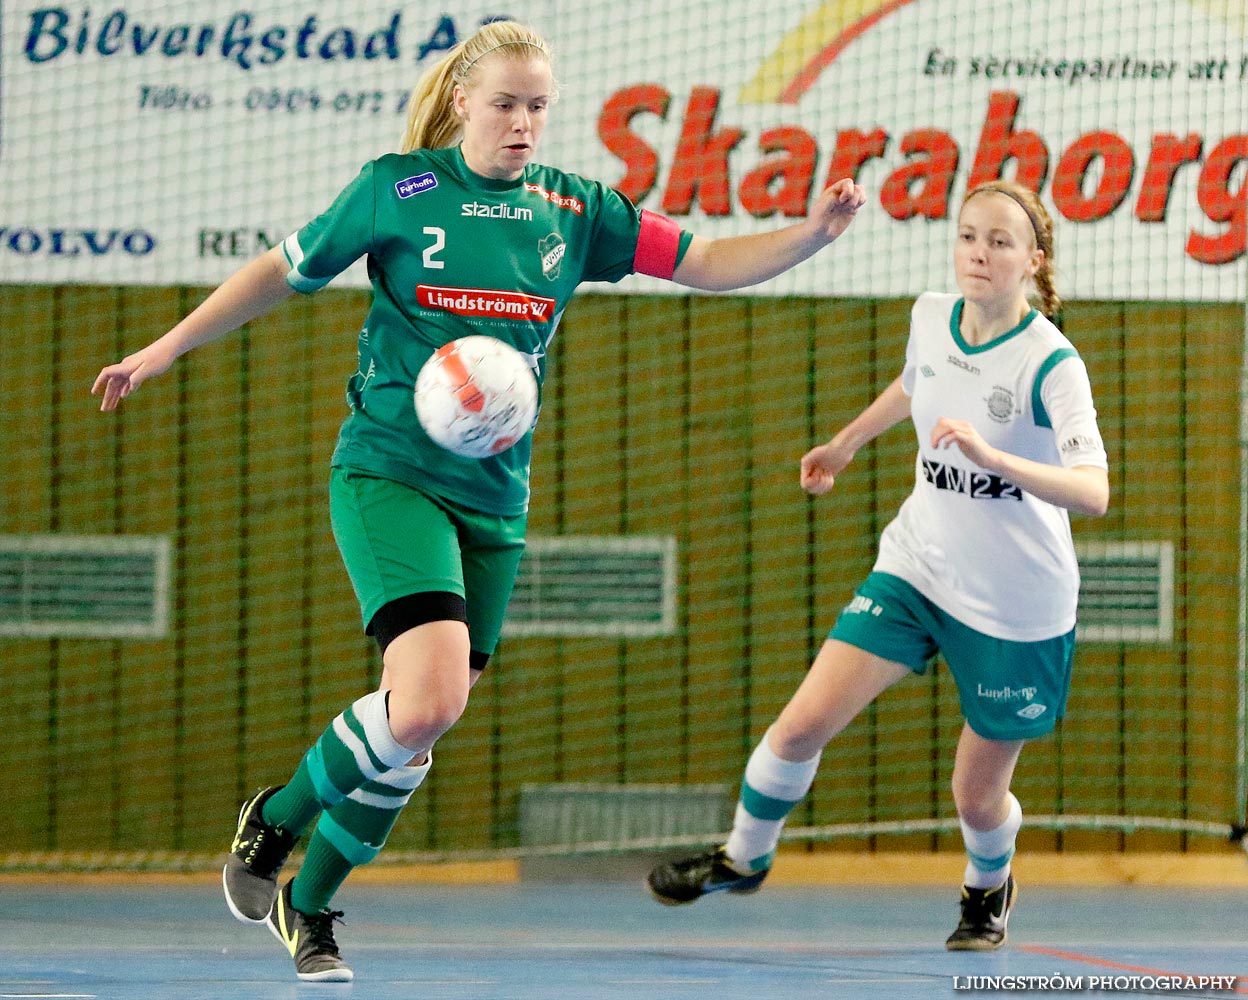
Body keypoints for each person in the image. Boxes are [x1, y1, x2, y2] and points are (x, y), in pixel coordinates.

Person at [92, 20, 866, 983]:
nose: (524, 123)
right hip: (388, 474)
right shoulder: (399, 189)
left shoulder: (573, 210)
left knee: (419, 718)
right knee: (426, 700)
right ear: (464, 101)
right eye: (506, 103)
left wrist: (815, 234)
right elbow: (278, 274)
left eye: (539, 106)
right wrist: (161, 350)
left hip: (492, 501)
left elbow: (705, 260)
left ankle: (311, 901)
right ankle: (280, 821)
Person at [647, 179, 1109, 952]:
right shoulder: (931, 317)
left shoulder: (1050, 364)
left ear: (1034, 258)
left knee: (976, 791)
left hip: (1016, 604)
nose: (979, 253)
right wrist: (847, 441)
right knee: (798, 729)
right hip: (919, 566)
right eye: (968, 236)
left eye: (1000, 241)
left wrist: (998, 458)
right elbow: (915, 383)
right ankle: (744, 856)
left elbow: (1093, 491)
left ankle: (987, 888)